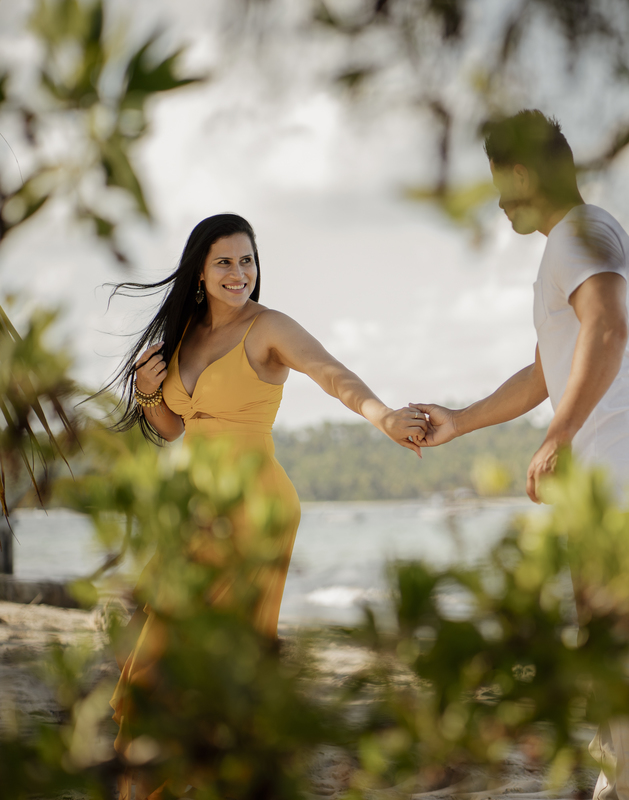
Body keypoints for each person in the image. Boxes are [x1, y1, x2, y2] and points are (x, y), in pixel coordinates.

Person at [412, 110, 629, 800]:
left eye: (497, 183)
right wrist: (460, 421)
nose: (497, 202)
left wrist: (558, 434)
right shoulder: (577, 239)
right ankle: (625, 785)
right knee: (607, 634)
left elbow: (608, 324)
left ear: (520, 174)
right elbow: (547, 367)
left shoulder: (580, 232)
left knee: (609, 633)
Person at [104, 213, 428, 799]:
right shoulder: (185, 334)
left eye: (247, 260)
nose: (239, 273)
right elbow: (175, 428)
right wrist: (149, 393)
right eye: (225, 261)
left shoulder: (268, 327)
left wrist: (383, 416)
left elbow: (331, 373)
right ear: (199, 271)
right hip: (196, 510)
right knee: (158, 652)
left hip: (254, 507)